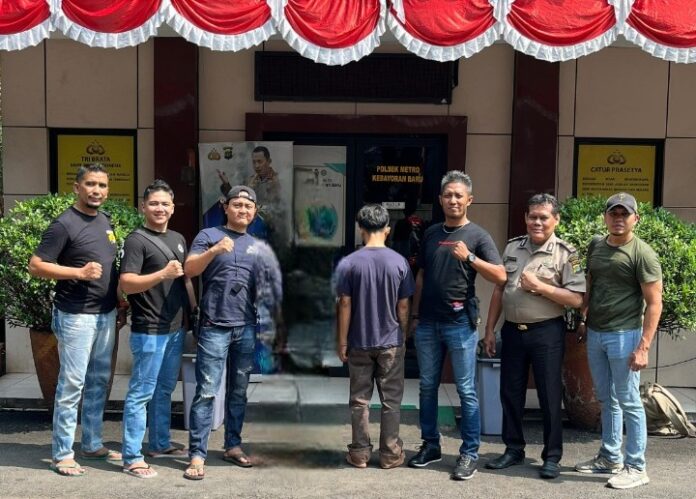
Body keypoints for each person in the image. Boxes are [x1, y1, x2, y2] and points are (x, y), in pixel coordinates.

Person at [28, 164, 126, 477]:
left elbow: (110, 266)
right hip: (75, 316)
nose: (97, 190)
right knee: (72, 384)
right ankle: (62, 454)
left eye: (102, 185)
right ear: (77, 187)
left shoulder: (106, 221)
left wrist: (119, 299)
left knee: (98, 381)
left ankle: (92, 443)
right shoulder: (64, 224)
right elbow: (36, 265)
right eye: (91, 184)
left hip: (105, 314)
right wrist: (78, 273)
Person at [408, 170, 506, 481]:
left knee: (466, 390)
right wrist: (414, 316)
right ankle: (430, 445)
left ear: (469, 200)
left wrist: (470, 258)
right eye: (448, 195)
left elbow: (501, 276)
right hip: (427, 324)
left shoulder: (478, 236)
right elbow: (421, 276)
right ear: (440, 199)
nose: (453, 200)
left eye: (458, 195)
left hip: (460, 324)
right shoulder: (431, 233)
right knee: (427, 386)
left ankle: (469, 453)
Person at [483, 193, 585, 479]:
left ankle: (551, 456)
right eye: (532, 217)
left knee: (549, 395)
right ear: (525, 218)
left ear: (556, 220)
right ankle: (513, 449)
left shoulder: (568, 254)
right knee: (510, 392)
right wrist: (490, 329)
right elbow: (500, 289)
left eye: (543, 217)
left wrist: (541, 287)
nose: (537, 222)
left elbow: (577, 299)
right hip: (513, 331)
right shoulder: (512, 246)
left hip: (546, 333)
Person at [182, 185, 282, 480]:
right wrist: (214, 250)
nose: (243, 210)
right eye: (237, 205)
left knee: (238, 391)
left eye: (248, 206)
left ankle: (232, 445)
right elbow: (190, 269)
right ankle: (197, 454)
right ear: (225, 207)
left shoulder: (257, 245)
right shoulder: (208, 235)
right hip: (214, 324)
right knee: (207, 391)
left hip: (246, 326)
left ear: (255, 212)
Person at [574, 192, 662, 490]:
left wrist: (643, 347)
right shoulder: (596, 245)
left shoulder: (643, 254)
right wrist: (584, 319)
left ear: (636, 218)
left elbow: (655, 304)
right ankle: (610, 457)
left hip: (625, 335)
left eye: (625, 214)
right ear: (605, 216)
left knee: (629, 400)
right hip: (596, 333)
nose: (619, 218)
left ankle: (636, 466)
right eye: (614, 213)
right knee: (606, 398)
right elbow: (590, 283)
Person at [119, 180, 196, 478]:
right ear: (143, 207)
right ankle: (132, 457)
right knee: (141, 393)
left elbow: (184, 280)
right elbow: (127, 283)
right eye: (154, 203)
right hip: (149, 329)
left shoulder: (178, 238)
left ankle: (159, 444)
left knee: (164, 389)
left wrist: (192, 313)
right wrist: (162, 273)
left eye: (165, 203)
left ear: (173, 208)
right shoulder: (136, 241)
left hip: (174, 328)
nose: (159, 208)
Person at [335, 204, 415, 469]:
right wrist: (403, 333)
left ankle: (359, 453)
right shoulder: (399, 262)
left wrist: (342, 341)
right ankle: (390, 454)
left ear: (360, 228)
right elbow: (403, 306)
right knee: (391, 401)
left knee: (359, 400)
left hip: (359, 341)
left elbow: (344, 303)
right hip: (391, 341)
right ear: (387, 229)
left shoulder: (349, 263)